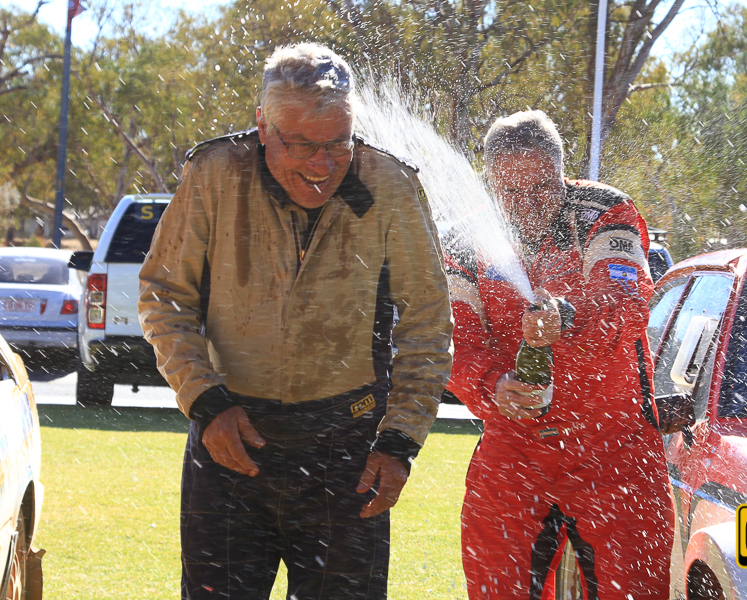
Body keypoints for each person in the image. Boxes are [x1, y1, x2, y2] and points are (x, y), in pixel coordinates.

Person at [138, 43, 452, 600]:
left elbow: (427, 322)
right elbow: (165, 295)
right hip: (229, 441)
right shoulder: (213, 173)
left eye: (339, 143)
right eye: (302, 144)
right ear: (262, 125)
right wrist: (205, 403)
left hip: (348, 451)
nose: (323, 164)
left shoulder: (391, 186)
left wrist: (401, 441)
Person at [444, 111, 673, 600]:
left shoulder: (604, 211)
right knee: (493, 588)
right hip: (515, 447)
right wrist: (491, 388)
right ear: (490, 185)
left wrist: (569, 319)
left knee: (634, 590)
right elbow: (458, 347)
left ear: (561, 173)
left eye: (541, 189)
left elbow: (628, 305)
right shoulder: (463, 241)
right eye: (510, 193)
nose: (526, 205)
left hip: (614, 446)